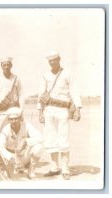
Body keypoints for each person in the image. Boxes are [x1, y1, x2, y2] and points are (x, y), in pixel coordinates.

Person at [37, 50, 82, 180]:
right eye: (50, 61)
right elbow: (41, 94)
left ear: (59, 59)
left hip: (63, 110)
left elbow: (74, 91)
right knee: (50, 138)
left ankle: (65, 168)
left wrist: (78, 109)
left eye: (54, 60)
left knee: (63, 137)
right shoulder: (45, 75)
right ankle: (55, 167)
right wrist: (40, 112)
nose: (52, 62)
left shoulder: (67, 73)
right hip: (49, 110)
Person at [0, 107, 44, 179]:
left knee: (38, 147)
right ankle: (14, 168)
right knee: (8, 178)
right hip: (11, 158)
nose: (14, 121)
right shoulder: (6, 129)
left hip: (23, 155)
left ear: (20, 118)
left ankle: (31, 171)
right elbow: (0, 147)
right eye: (11, 119)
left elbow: (40, 137)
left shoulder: (27, 126)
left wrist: (26, 141)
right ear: (8, 120)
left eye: (16, 118)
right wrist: (11, 158)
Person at [0, 57, 24, 139]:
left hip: (14, 110)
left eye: (8, 65)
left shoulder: (16, 79)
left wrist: (21, 111)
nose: (6, 67)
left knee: (16, 133)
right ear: (1, 66)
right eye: (4, 65)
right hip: (1, 110)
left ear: (11, 66)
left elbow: (21, 95)